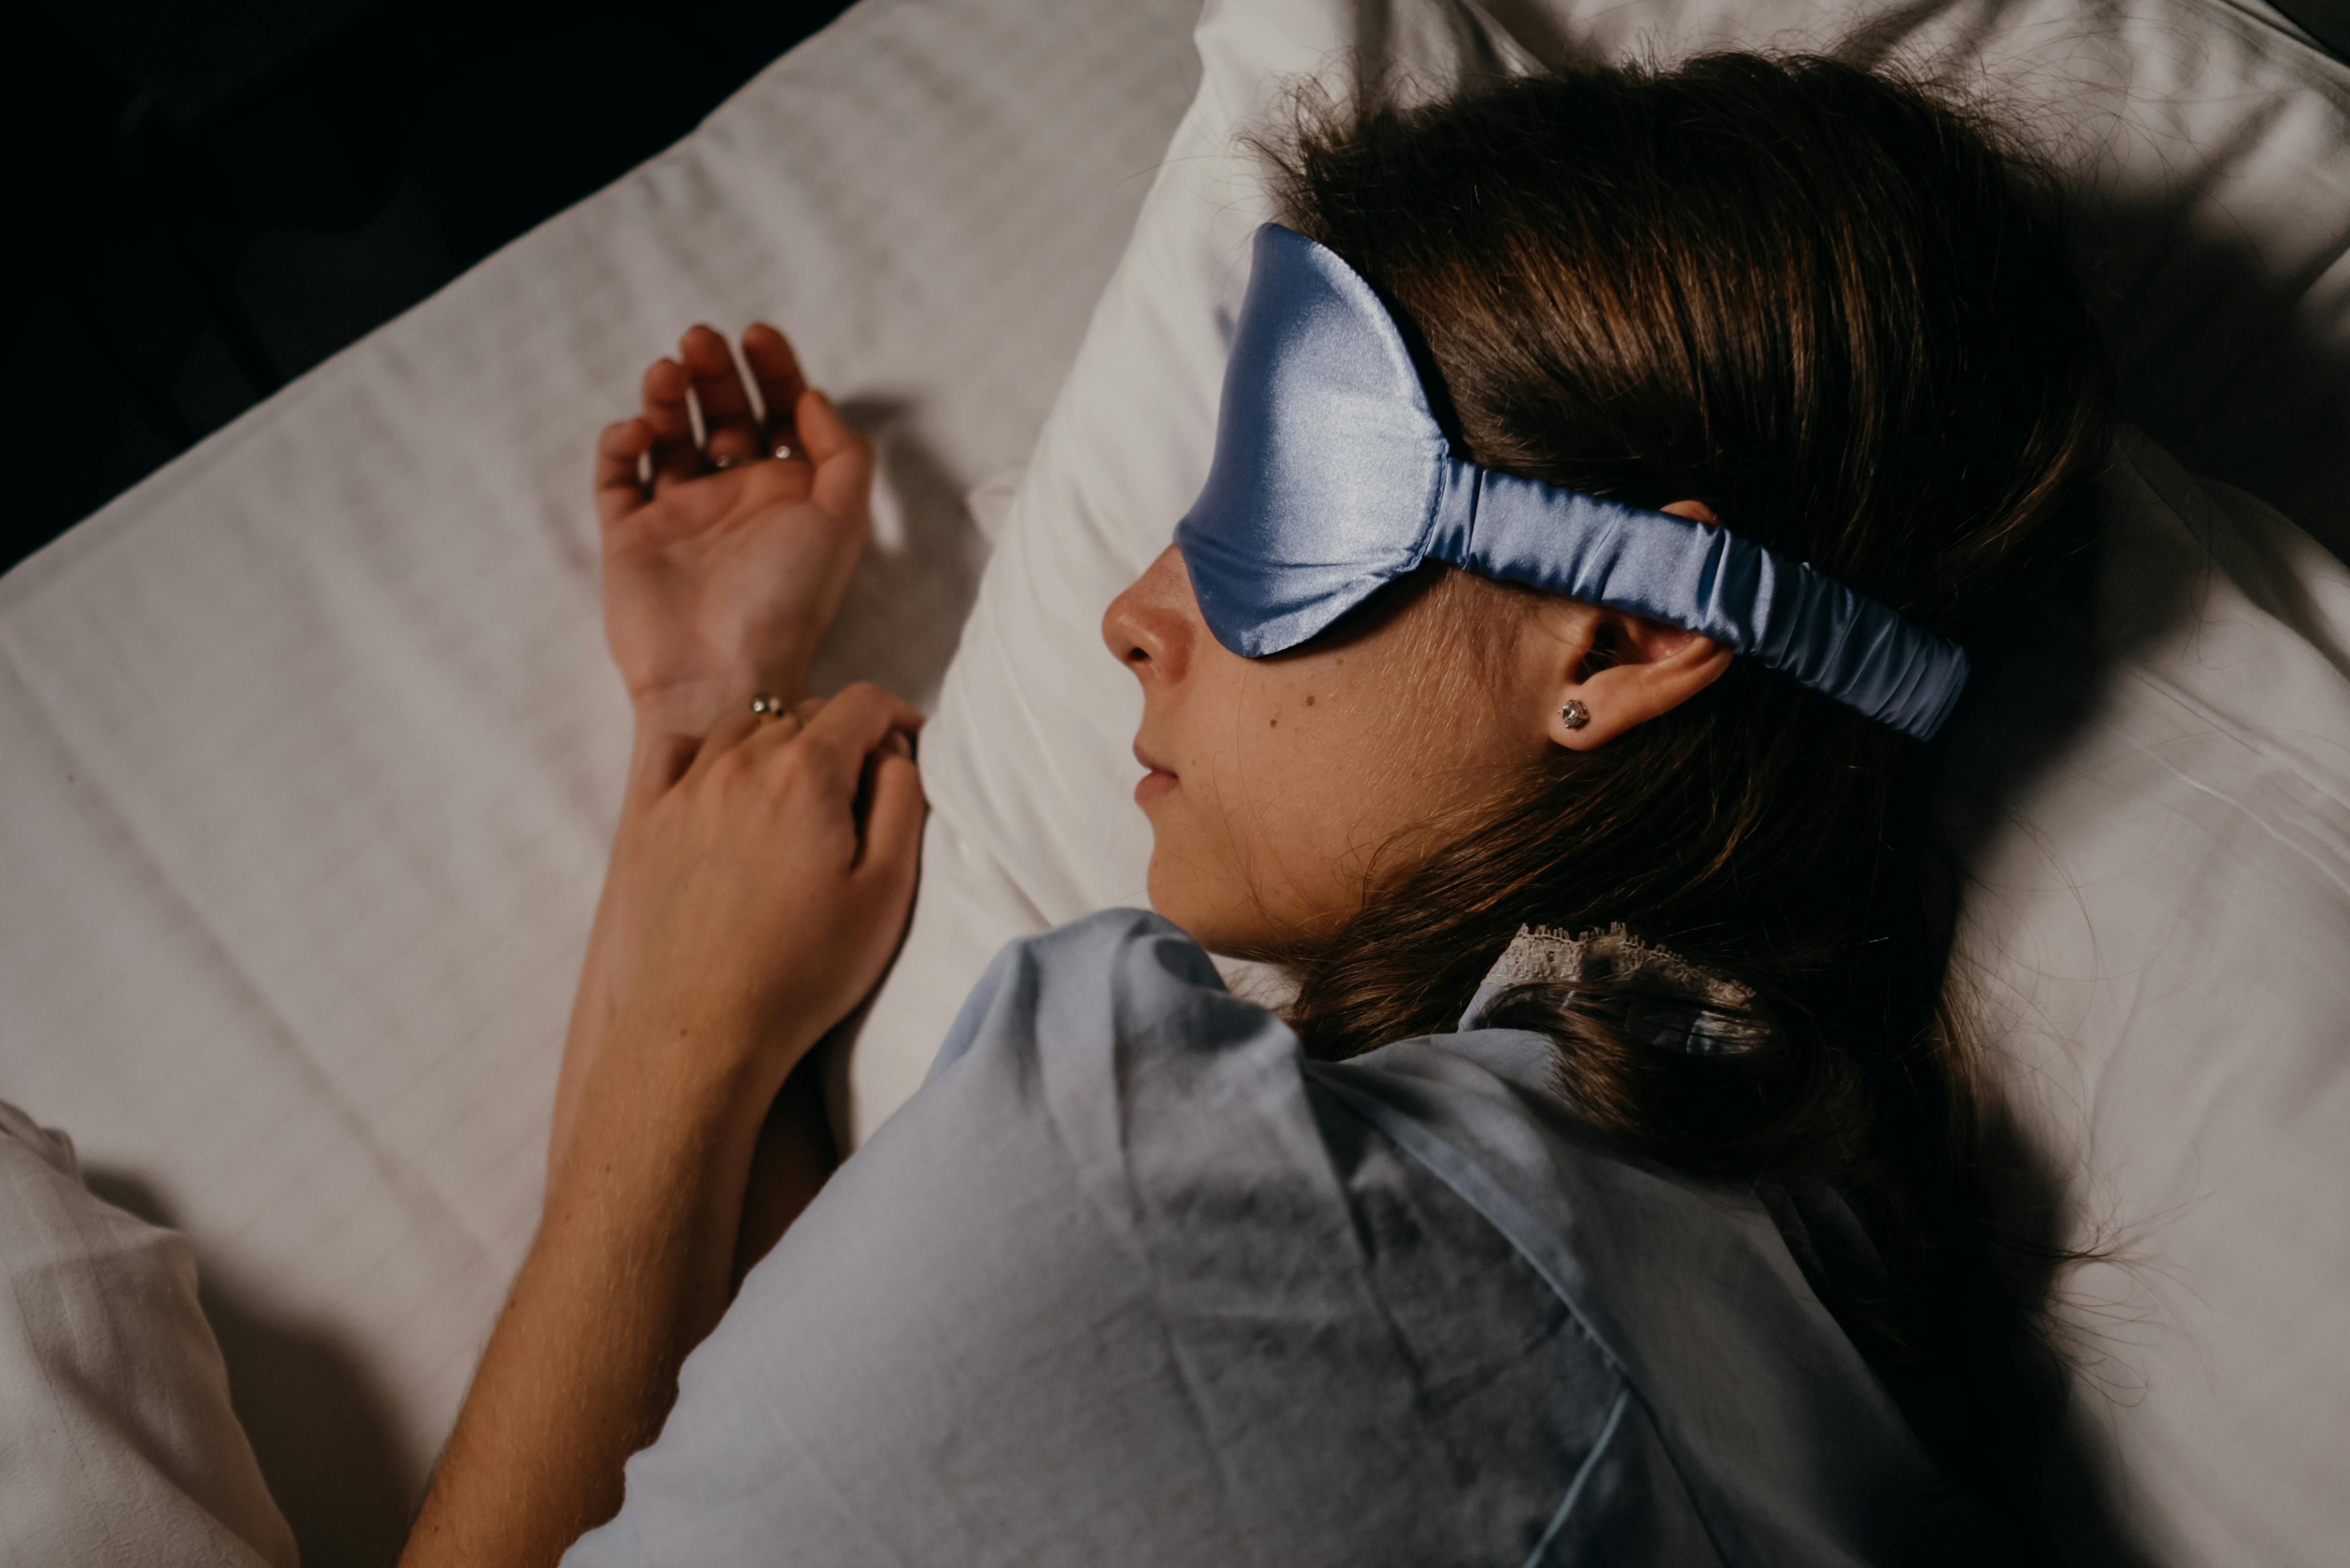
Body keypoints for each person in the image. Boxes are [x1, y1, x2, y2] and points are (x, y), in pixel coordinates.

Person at [399, 51, 2108, 1567]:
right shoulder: (1845, 1348)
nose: (1133, 613)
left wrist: (684, 1045)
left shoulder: (1133, 1140)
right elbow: (756, 1415)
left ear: (1629, 634)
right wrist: (711, 720)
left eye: (1275, 500)